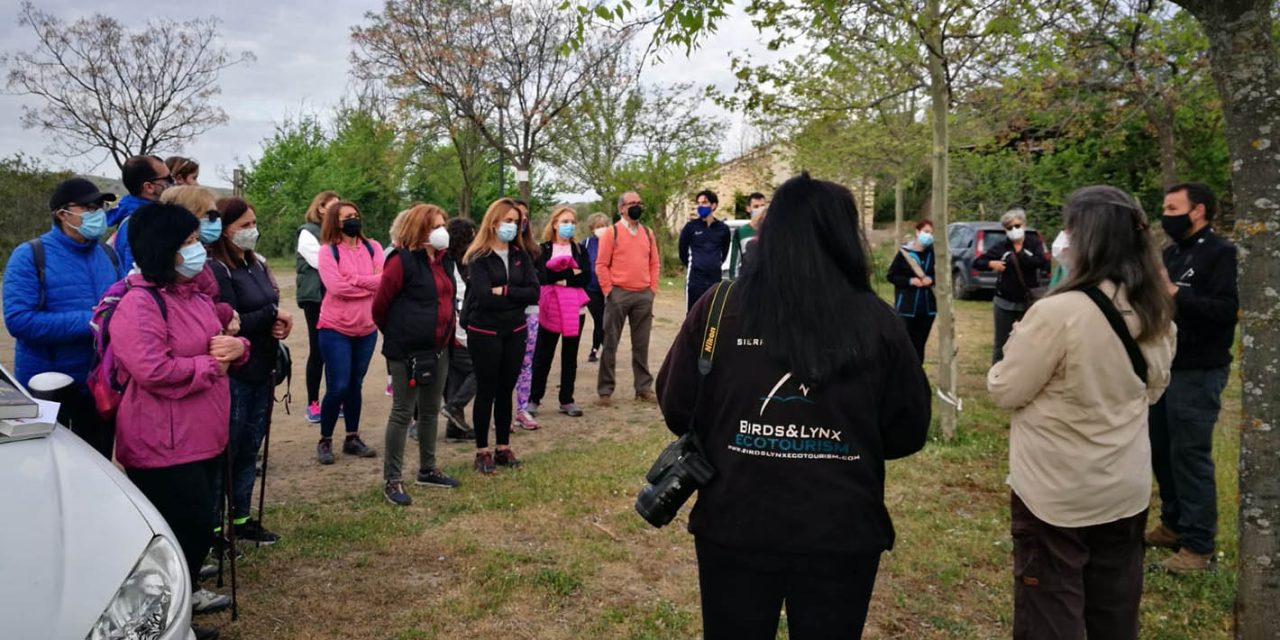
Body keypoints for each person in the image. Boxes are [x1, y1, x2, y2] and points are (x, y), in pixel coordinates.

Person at [657, 173, 930, 639]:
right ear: (846, 235)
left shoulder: (720, 306)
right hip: (839, 527)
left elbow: (678, 406)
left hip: (736, 519)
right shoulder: (878, 321)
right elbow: (905, 429)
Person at [988, 185, 1176, 639]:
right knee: (1113, 608)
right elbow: (1154, 389)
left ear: (1087, 239)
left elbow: (1004, 388)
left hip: (1056, 493)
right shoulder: (1154, 308)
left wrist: (1017, 342)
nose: (1064, 241)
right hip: (1123, 488)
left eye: (1070, 230)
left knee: (1051, 610)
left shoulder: (1058, 312)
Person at [110, 203, 247, 628]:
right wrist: (211, 366)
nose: (198, 250)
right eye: (187, 243)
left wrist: (239, 350)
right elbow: (152, 369)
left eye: (196, 241)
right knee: (179, 529)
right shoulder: (139, 304)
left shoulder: (194, 296)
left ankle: (177, 613)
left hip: (204, 435)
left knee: (199, 525)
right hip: (162, 444)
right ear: (163, 249)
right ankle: (157, 621)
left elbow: (222, 345)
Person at [1145, 182, 1239, 572]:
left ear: (1197, 210)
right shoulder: (1170, 253)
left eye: (1172, 207)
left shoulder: (1222, 254)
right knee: (1161, 449)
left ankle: (1199, 547)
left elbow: (1225, 310)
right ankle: (1173, 524)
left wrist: (1176, 295)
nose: (1166, 215)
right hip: (1165, 368)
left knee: (1189, 454)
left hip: (1199, 369)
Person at [3, 177, 122, 457]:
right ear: (62, 214)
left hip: (97, 385)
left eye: (100, 206)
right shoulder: (30, 255)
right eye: (88, 207)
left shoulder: (107, 254)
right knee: (46, 467)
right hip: (47, 389)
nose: (98, 213)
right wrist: (91, 321)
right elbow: (19, 320)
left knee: (97, 464)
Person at [208, 196, 291, 545]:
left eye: (254, 223)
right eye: (244, 225)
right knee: (226, 450)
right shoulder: (217, 269)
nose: (252, 231)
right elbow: (231, 323)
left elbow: (268, 307)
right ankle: (212, 527)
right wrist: (272, 316)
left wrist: (277, 321)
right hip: (235, 374)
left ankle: (241, 517)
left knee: (248, 448)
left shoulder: (254, 263)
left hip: (263, 368)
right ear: (225, 230)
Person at [374, 204, 462, 505]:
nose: (441, 231)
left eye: (443, 225)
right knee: (402, 412)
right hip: (406, 352)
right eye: (435, 226)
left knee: (430, 410)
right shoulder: (400, 262)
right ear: (419, 230)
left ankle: (428, 469)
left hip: (439, 348)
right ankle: (393, 479)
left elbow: (448, 299)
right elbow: (380, 308)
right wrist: (403, 335)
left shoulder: (444, 261)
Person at [461, 198, 540, 474]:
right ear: (493, 222)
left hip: (515, 330)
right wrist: (511, 294)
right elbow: (483, 296)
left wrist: (504, 291)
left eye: (516, 222)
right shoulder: (479, 257)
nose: (513, 226)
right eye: (508, 220)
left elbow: (534, 292)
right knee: (487, 391)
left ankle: (503, 447)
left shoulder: (521, 255)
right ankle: (482, 451)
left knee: (506, 390)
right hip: (484, 332)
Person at [315, 200, 383, 464]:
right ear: (335, 221)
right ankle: (325, 439)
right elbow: (336, 288)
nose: (353, 220)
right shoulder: (327, 251)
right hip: (335, 328)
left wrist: (353, 280)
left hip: (366, 328)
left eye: (355, 215)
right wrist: (367, 284)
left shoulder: (373, 246)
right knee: (338, 385)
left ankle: (352, 437)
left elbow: (383, 280)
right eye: (346, 217)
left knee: (356, 384)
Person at [596, 191, 661, 405]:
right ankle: (605, 390)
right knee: (610, 342)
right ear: (621, 208)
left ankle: (643, 388)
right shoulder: (611, 233)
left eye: (640, 203)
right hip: (619, 293)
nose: (637, 207)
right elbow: (601, 265)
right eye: (632, 203)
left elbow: (654, 263)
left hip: (643, 294)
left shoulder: (648, 233)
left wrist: (651, 289)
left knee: (641, 344)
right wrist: (609, 291)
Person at [528, 206, 591, 418]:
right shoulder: (542, 249)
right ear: (555, 223)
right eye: (565, 221)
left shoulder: (580, 250)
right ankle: (534, 398)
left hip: (575, 310)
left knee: (570, 355)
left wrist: (563, 277)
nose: (569, 226)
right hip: (550, 309)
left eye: (573, 222)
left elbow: (586, 277)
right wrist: (570, 274)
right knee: (543, 354)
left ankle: (567, 399)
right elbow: (542, 276)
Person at [974, 208, 1049, 363]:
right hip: (1004, 302)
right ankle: (997, 374)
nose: (1014, 230)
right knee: (1001, 343)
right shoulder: (1001, 247)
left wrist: (1019, 257)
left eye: (1017, 225)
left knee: (1028, 342)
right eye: (1010, 227)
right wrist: (991, 263)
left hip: (1029, 301)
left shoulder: (1034, 244)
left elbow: (1042, 262)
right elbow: (977, 263)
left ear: (1024, 225)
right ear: (1005, 230)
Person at [297, 191, 341, 423]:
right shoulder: (308, 232)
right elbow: (320, 262)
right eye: (334, 206)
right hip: (315, 296)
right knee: (318, 349)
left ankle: (335, 399)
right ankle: (313, 403)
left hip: (335, 295)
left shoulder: (338, 233)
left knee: (337, 349)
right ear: (321, 208)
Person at [441, 217, 478, 442]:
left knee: (456, 375)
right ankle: (455, 407)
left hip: (459, 325)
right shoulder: (451, 263)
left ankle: (455, 428)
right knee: (483, 369)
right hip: (455, 326)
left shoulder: (462, 262)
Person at [109, 155, 175, 271]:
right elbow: (136, 273)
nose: (173, 182)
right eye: (167, 179)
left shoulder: (132, 213)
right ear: (149, 187)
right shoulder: (142, 224)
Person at [512, 200, 544, 430]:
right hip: (504, 315)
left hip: (530, 314)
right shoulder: (493, 252)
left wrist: (508, 291)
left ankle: (521, 409)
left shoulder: (533, 249)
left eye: (524, 217)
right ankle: (500, 413)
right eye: (514, 218)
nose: (520, 222)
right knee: (503, 365)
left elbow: (535, 289)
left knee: (526, 364)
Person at [886, 220, 938, 362]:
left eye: (931, 233)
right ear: (917, 232)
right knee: (904, 344)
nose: (929, 236)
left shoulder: (934, 254)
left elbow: (942, 275)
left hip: (927, 309)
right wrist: (910, 281)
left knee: (919, 345)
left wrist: (931, 279)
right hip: (906, 308)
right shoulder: (904, 253)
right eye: (926, 232)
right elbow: (891, 276)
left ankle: (918, 373)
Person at [678, 189, 731, 312]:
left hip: (714, 280)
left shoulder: (723, 229)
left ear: (713, 205)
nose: (701, 206)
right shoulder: (690, 227)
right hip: (695, 281)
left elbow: (724, 252)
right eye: (699, 203)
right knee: (692, 316)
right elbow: (682, 253)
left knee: (712, 316)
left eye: (704, 203)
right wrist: (697, 266)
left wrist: (712, 264)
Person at [582, 212, 610, 362]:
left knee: (606, 321)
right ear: (592, 228)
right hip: (591, 289)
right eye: (598, 226)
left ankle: (596, 350)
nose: (602, 229)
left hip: (610, 289)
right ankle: (601, 348)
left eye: (605, 226)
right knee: (600, 320)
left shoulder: (613, 242)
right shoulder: (586, 244)